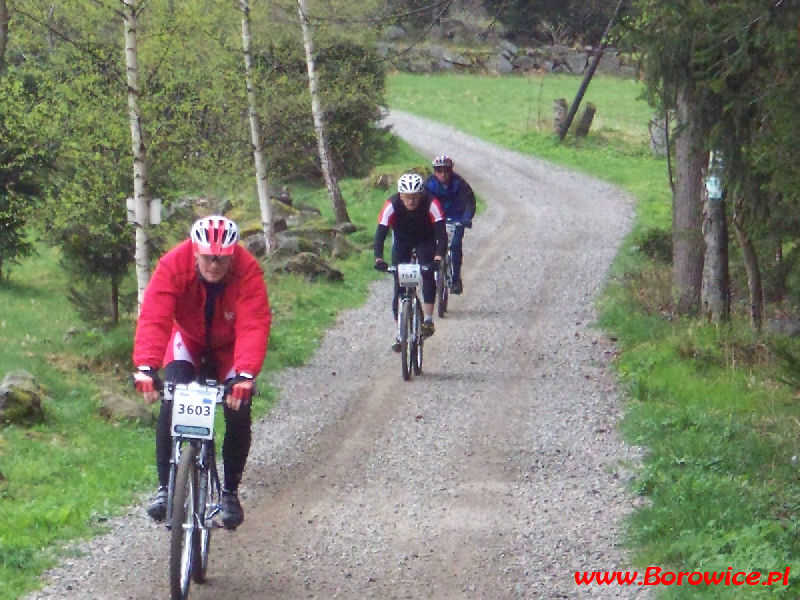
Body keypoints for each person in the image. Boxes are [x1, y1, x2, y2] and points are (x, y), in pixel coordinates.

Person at [132, 215, 271, 530]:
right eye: (208, 257)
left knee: (238, 410)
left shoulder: (247, 271)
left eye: (223, 259)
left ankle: (230, 492)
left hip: (231, 348)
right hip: (188, 342)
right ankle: (166, 488)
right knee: (172, 399)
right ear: (195, 251)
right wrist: (146, 367)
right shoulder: (172, 265)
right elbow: (155, 316)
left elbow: (254, 323)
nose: (215, 265)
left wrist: (245, 375)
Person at [374, 173, 447, 351]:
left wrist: (438, 256)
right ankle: (401, 334)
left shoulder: (431, 203)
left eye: (415, 197)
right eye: (407, 197)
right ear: (400, 195)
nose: (411, 201)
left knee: (427, 273)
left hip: (425, 239)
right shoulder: (391, 205)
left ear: (421, 195)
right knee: (398, 285)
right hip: (402, 241)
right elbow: (381, 232)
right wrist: (378, 258)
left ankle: (428, 320)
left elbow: (441, 233)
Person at [424, 155, 476, 295]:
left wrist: (466, 218)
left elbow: (470, 201)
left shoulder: (459, 183)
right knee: (430, 244)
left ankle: (456, 278)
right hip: (436, 217)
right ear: (434, 172)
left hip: (456, 217)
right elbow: (422, 201)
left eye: (446, 171)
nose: (443, 174)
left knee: (455, 245)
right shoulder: (429, 183)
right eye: (439, 171)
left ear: (451, 171)